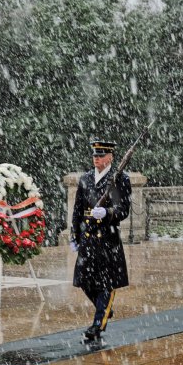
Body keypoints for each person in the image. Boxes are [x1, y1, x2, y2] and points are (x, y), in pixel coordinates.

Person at [70, 139, 131, 341]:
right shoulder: (86, 178)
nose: (96, 158)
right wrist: (74, 235)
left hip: (107, 239)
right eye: (95, 155)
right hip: (88, 238)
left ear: (110, 157)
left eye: (101, 155)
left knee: (106, 284)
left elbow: (122, 211)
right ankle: (103, 309)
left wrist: (107, 212)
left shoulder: (118, 180)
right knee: (85, 282)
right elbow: (78, 209)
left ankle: (97, 326)